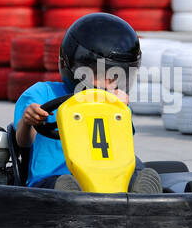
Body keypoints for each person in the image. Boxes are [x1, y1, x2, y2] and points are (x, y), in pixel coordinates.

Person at [13, 12, 161, 192]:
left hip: (110, 178)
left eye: (115, 76)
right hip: (54, 179)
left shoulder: (114, 103)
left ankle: (141, 195)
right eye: (100, 74)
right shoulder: (42, 93)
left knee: (137, 170)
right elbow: (23, 143)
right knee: (63, 186)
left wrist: (121, 110)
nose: (108, 83)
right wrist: (28, 122)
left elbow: (121, 146)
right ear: (76, 66)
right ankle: (73, 199)